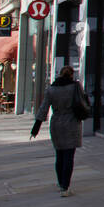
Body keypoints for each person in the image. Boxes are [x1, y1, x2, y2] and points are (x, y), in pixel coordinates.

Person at [31, 66, 88, 196]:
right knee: (69, 156)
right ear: (71, 75)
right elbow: (83, 101)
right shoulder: (75, 86)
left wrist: (36, 126)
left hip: (56, 123)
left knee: (60, 155)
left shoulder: (51, 89)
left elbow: (43, 108)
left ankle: (60, 182)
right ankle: (65, 186)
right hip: (72, 123)